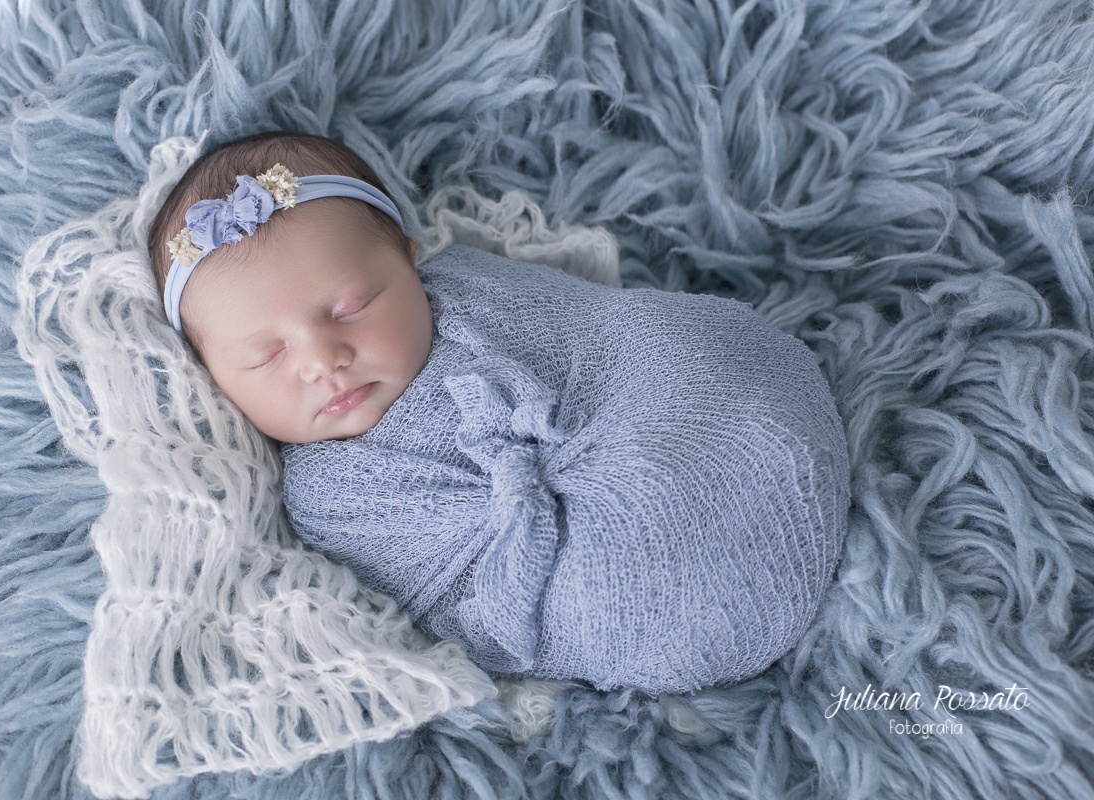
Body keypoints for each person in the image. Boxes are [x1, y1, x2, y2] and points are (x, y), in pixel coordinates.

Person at [148, 130, 851, 695]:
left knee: (696, 353)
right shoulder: (324, 494)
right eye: (266, 355)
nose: (322, 359)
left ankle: (766, 447)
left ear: (411, 262)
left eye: (351, 307)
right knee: (611, 588)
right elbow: (455, 605)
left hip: (698, 408)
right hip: (638, 569)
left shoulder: (471, 289)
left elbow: (595, 331)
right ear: (213, 380)